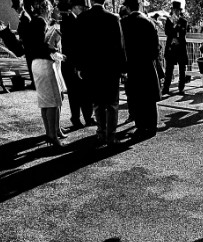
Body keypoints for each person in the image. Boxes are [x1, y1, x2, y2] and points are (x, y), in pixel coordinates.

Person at [75, 0, 126, 146]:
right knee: (112, 104)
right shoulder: (113, 18)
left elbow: (79, 44)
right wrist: (123, 69)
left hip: (92, 67)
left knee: (97, 102)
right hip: (110, 67)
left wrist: (80, 67)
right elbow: (119, 46)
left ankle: (100, 131)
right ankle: (111, 135)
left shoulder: (83, 18)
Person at [27, 0, 68, 148]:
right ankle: (52, 135)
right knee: (53, 102)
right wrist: (57, 53)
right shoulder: (41, 23)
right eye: (51, 9)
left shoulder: (34, 22)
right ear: (47, 9)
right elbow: (43, 46)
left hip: (36, 63)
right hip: (44, 63)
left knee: (45, 102)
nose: (51, 12)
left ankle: (50, 132)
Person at [120, 0, 161, 139]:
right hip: (148, 64)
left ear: (128, 7)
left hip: (132, 65)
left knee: (136, 97)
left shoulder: (124, 23)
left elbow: (122, 47)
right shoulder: (149, 22)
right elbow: (156, 47)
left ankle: (141, 126)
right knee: (150, 98)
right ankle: (152, 126)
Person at [60, 0, 95, 129]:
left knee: (83, 92)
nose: (84, 10)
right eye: (82, 7)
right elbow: (74, 45)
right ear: (74, 8)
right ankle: (77, 118)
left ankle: (85, 117)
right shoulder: (70, 21)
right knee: (76, 93)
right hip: (73, 62)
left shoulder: (74, 20)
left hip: (76, 62)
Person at [162, 1, 188, 96]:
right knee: (169, 69)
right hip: (171, 47)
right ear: (172, 10)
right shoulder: (168, 21)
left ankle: (181, 88)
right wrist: (174, 27)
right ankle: (166, 88)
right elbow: (167, 32)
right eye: (174, 10)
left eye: (178, 10)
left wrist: (176, 36)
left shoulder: (184, 21)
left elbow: (183, 32)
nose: (176, 12)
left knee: (182, 69)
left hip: (180, 47)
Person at [12, 0, 35, 89]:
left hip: (28, 45)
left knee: (30, 64)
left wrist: (20, 39)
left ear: (21, 6)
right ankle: (33, 82)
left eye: (16, 8)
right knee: (30, 64)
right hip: (28, 44)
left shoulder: (25, 17)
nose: (16, 10)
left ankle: (34, 83)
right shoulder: (23, 16)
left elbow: (26, 32)